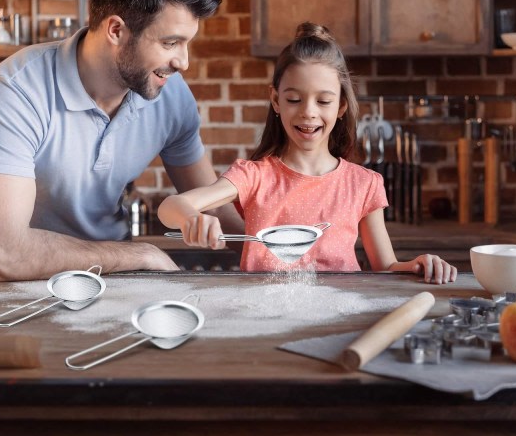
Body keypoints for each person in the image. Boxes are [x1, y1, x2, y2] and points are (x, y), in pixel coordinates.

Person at [0, 0, 243, 281]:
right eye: (170, 43)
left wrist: (293, 258)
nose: (184, 62)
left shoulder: (171, 94)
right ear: (116, 30)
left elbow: (218, 208)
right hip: (25, 294)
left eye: (186, 43)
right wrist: (141, 254)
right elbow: (4, 254)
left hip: (118, 284)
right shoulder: (14, 91)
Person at [158, 22, 457, 283]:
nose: (308, 113)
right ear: (276, 100)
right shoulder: (253, 176)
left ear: (341, 106)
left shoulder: (364, 184)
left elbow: (386, 268)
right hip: (265, 320)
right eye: (294, 99)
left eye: (323, 101)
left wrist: (417, 266)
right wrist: (189, 219)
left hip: (340, 319)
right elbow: (170, 207)